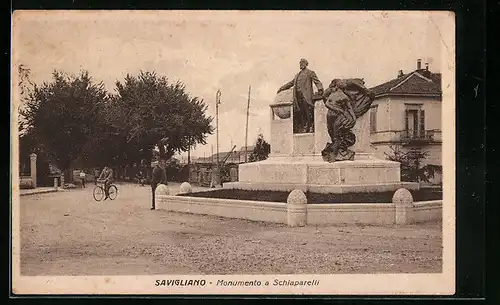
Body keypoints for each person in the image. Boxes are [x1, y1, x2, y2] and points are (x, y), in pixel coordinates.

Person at [277, 58, 324, 133]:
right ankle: (305, 127)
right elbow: (291, 83)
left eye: (302, 63)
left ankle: (311, 126)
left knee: (308, 111)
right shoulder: (297, 75)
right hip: (298, 97)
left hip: (306, 96)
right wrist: (282, 88)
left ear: (306, 64)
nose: (301, 64)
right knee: (301, 113)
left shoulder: (310, 73)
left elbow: (317, 81)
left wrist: (320, 89)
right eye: (300, 63)